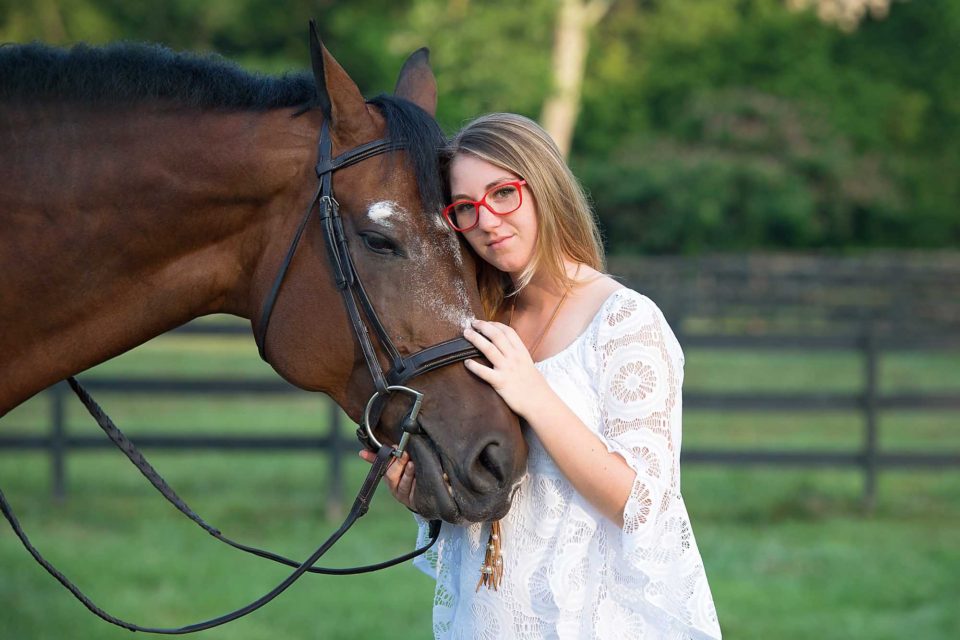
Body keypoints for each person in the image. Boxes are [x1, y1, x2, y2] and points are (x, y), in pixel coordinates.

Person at [360, 113, 722, 639]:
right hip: (490, 619)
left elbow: (641, 504)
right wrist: (425, 495)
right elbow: (488, 494)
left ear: (544, 187)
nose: (486, 220)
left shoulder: (623, 321)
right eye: (465, 207)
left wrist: (536, 396)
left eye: (502, 193)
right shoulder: (478, 324)